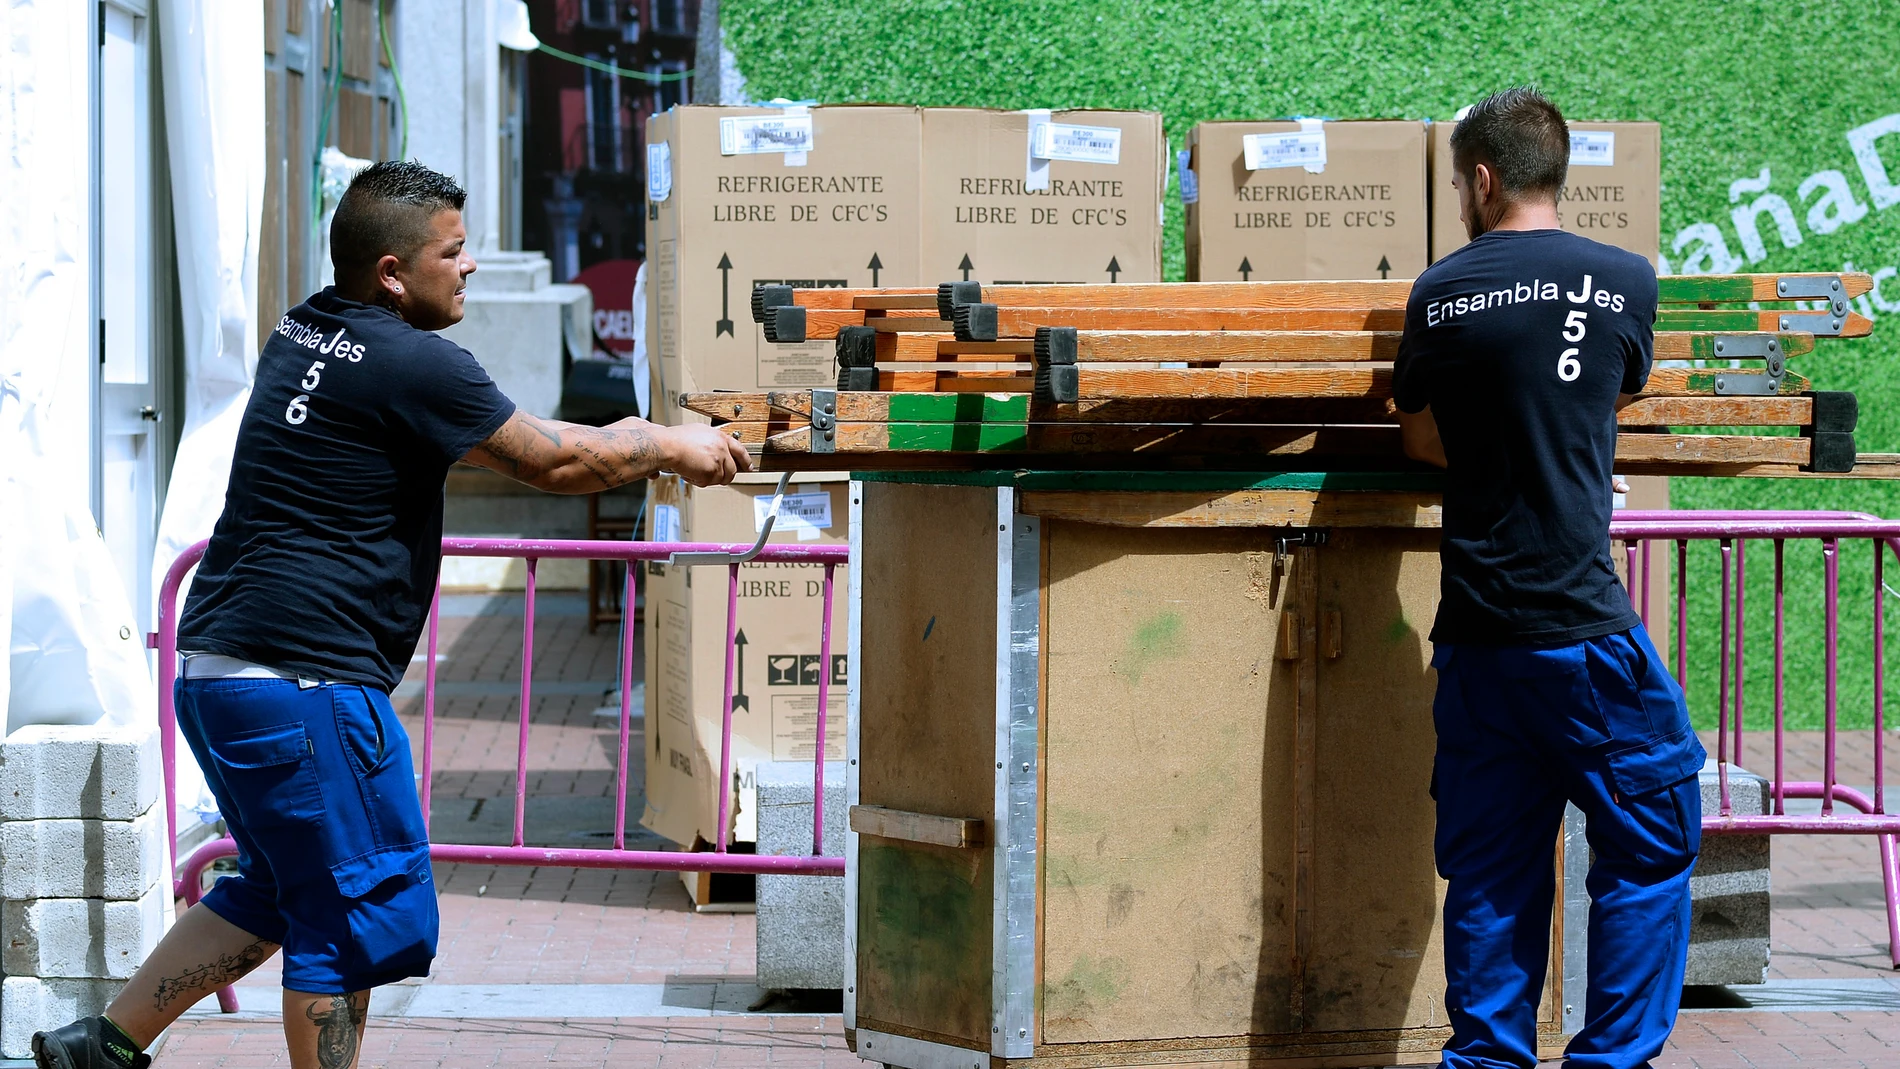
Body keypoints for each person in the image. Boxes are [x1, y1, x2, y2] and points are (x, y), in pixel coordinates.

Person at [32, 161, 750, 1069]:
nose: (471, 266)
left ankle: (100, 1046)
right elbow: (559, 463)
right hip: (305, 689)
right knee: (353, 919)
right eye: (453, 252)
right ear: (392, 272)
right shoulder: (416, 362)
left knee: (277, 889)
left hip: (217, 674)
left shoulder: (303, 326)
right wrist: (673, 445)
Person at [1392, 88, 1704, 1069]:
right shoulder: (1623, 281)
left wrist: (1489, 442)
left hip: (1478, 632)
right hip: (1580, 627)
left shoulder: (1439, 293)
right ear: (1553, 173)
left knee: (1490, 868)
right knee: (1650, 838)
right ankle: (1608, 1062)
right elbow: (1603, 399)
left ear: (1480, 180)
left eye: (1457, 183)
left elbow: (1419, 436)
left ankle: (1486, 1062)